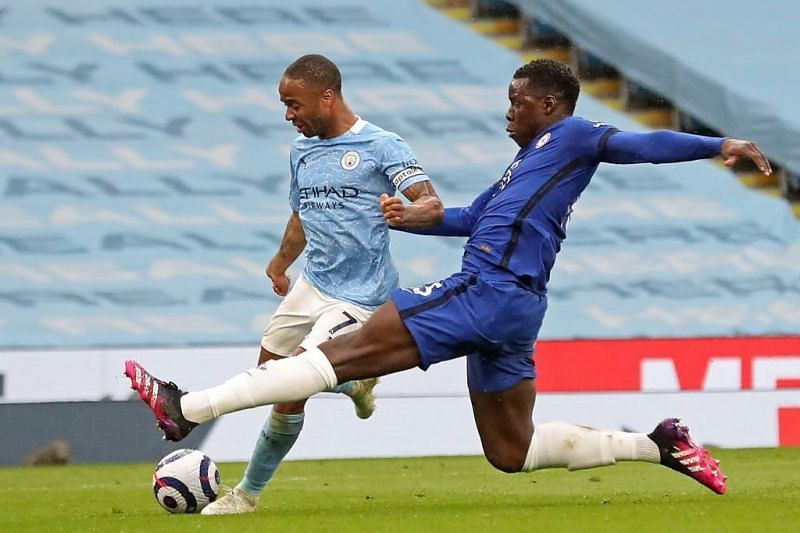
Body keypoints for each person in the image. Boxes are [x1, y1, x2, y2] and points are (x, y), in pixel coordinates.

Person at [126, 59, 773, 496]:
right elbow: (469, 216)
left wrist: (717, 146)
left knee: (338, 355)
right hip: (515, 309)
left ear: (548, 104)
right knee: (510, 450)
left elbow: (636, 145)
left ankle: (188, 407)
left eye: (516, 102)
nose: (508, 112)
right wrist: (405, 220)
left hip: (486, 290)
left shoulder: (573, 134)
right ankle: (658, 445)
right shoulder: (526, 163)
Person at [170, 54, 443, 515]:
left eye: (294, 105)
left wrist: (408, 212)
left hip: (360, 295)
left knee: (290, 379)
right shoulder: (302, 152)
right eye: (285, 105)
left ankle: (247, 496)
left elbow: (431, 203)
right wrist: (279, 264)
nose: (288, 116)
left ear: (327, 96)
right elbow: (301, 215)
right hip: (311, 285)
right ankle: (354, 383)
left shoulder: (382, 146)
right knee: (272, 382)